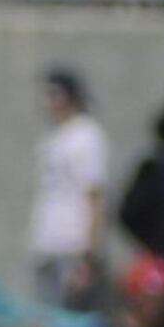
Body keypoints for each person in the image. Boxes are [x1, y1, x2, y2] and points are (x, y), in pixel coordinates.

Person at [27, 68, 109, 311]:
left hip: (72, 246)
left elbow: (94, 195)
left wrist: (88, 257)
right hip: (48, 245)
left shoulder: (87, 135)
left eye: (54, 94)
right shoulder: (57, 136)